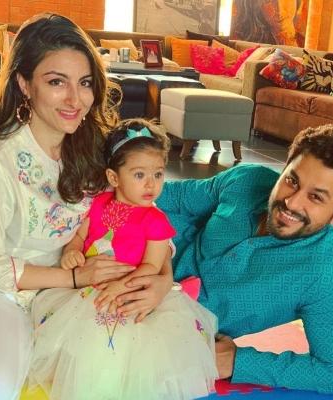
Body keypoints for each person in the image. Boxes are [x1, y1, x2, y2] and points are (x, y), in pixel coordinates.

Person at [0, 13, 173, 400]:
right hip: (9, 296)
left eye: (85, 83)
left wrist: (161, 280)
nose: (75, 100)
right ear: (24, 84)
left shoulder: (94, 147)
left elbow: (146, 216)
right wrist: (76, 278)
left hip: (84, 290)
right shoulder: (2, 160)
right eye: (56, 82)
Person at [28, 119, 218, 400]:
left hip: (128, 292)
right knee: (77, 340)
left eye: (158, 174)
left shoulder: (155, 220)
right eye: (139, 175)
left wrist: (121, 286)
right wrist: (72, 251)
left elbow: (151, 267)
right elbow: (80, 235)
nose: (151, 184)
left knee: (123, 348)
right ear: (114, 178)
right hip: (88, 288)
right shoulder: (98, 203)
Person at [155, 124, 333, 393]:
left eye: (315, 197)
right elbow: (172, 197)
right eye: (292, 181)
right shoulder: (247, 179)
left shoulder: (326, 273)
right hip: (138, 260)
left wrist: (238, 361)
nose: (292, 203)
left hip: (171, 335)